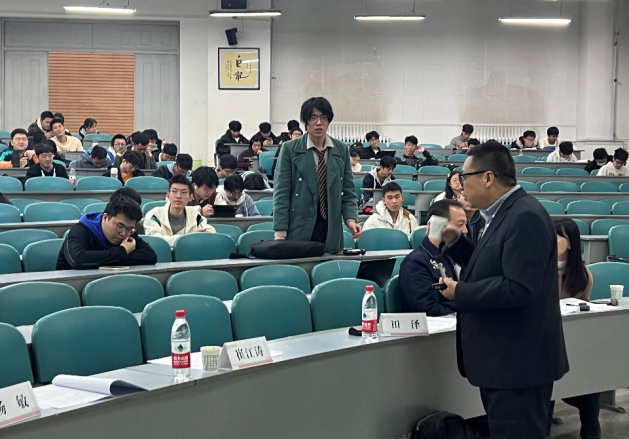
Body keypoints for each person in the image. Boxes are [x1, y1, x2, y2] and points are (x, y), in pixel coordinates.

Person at [437, 141, 569, 438]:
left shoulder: (524, 216)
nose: (461, 185)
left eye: (465, 177)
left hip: (518, 366)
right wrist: (458, 245)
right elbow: (494, 267)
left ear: (488, 177)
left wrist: (460, 292)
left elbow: (519, 287)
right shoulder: (502, 214)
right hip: (505, 363)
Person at [273, 96, 361, 252]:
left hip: (330, 226)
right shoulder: (289, 149)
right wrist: (280, 232)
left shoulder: (341, 149)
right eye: (313, 117)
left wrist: (350, 219)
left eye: (323, 117)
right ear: (305, 121)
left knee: (330, 264)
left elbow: (348, 191)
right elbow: (281, 192)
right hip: (300, 224)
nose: (318, 122)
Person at [546, 218, 599, 439]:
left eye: (559, 236)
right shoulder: (539, 267)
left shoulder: (582, 274)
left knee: (591, 377)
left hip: (573, 339)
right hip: (544, 339)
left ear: (570, 243)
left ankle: (591, 431)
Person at [399, 199, 466, 315]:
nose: (465, 230)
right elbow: (426, 307)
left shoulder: (456, 255)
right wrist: (464, 318)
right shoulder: (415, 262)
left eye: (466, 224)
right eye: (460, 225)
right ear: (438, 225)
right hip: (443, 322)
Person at [56, 194, 157, 270]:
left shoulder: (128, 232)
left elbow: (150, 256)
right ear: (105, 218)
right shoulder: (80, 230)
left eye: (130, 229)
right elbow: (78, 260)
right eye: (120, 226)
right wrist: (122, 251)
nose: (123, 234)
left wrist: (104, 259)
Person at [144, 175, 215, 246]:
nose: (178, 196)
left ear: (190, 197)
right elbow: (156, 240)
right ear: (168, 195)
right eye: (174, 191)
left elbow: (211, 232)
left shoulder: (195, 215)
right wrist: (190, 239)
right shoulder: (154, 215)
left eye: (183, 192)